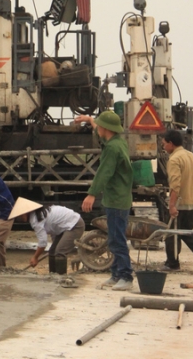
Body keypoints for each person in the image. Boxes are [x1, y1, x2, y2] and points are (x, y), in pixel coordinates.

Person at [77, 110, 134, 291]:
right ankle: (116, 275)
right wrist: (90, 120)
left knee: (117, 240)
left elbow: (104, 172)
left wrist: (92, 193)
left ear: (105, 128)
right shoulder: (117, 142)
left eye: (99, 125)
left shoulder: (112, 148)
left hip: (117, 200)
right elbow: (101, 136)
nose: (97, 128)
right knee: (114, 238)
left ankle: (126, 276)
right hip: (118, 198)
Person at [161, 129, 193, 273]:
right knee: (187, 233)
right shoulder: (191, 156)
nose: (163, 147)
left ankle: (172, 264)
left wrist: (171, 205)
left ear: (171, 144)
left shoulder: (174, 159)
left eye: (164, 144)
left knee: (171, 234)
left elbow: (175, 185)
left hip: (180, 205)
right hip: (192, 204)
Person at [9, 197, 85, 273]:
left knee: (60, 252)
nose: (20, 218)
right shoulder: (38, 214)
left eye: (20, 215)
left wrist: (35, 257)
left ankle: (61, 278)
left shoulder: (36, 220)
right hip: (65, 226)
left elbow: (43, 242)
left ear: (26, 212)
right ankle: (53, 275)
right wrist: (54, 246)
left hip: (75, 225)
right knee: (52, 251)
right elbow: (53, 231)